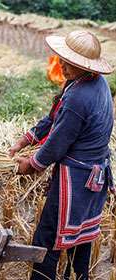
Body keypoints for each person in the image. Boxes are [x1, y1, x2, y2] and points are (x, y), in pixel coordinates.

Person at [10, 30, 114, 280]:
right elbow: (53, 118)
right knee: (80, 235)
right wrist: (25, 140)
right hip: (93, 176)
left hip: (76, 179)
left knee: (48, 236)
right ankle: (79, 276)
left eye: (69, 63)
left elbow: (58, 143)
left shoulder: (79, 97)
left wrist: (32, 164)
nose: (62, 65)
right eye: (63, 59)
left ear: (83, 66)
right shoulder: (92, 82)